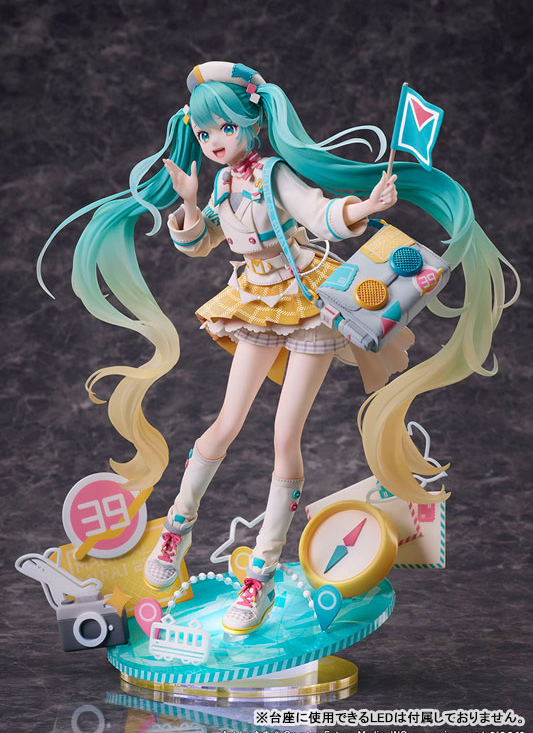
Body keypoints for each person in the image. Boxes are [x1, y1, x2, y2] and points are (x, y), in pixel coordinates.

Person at [38, 61, 518, 635]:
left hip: (305, 301)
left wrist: (366, 208)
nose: (215, 142)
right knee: (224, 423)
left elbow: (320, 214)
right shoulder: (222, 184)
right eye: (204, 133)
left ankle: (260, 575)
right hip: (254, 299)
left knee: (283, 436)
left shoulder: (274, 173)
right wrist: (188, 202)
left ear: (252, 125)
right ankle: (176, 529)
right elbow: (201, 241)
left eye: (225, 128)